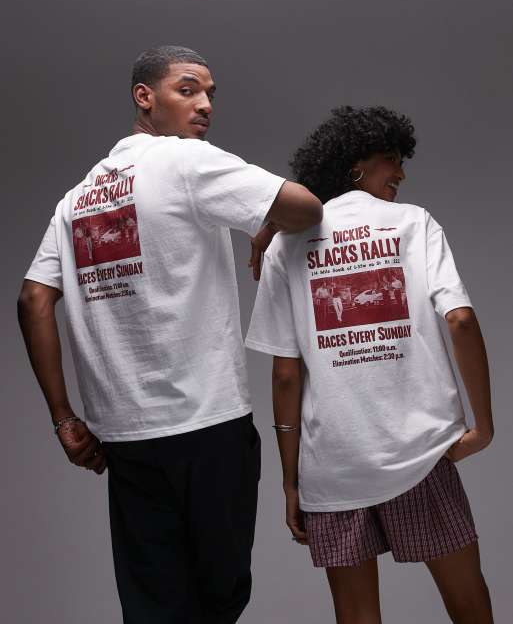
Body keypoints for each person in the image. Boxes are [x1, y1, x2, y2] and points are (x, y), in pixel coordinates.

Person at [17, 45, 322, 624]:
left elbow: (34, 300)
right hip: (207, 423)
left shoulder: (76, 199)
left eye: (209, 93)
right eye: (187, 89)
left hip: (125, 436)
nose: (205, 105)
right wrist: (268, 223)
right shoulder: (187, 161)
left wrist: (64, 417)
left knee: (155, 604)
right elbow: (305, 208)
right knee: (218, 597)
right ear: (145, 97)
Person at [245, 106, 494, 623]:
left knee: (356, 617)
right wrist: (483, 427)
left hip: (333, 468)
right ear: (355, 163)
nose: (401, 173)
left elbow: (286, 375)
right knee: (471, 608)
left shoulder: (285, 246)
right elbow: (462, 319)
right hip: (420, 454)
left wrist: (291, 482)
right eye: (391, 159)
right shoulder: (414, 223)